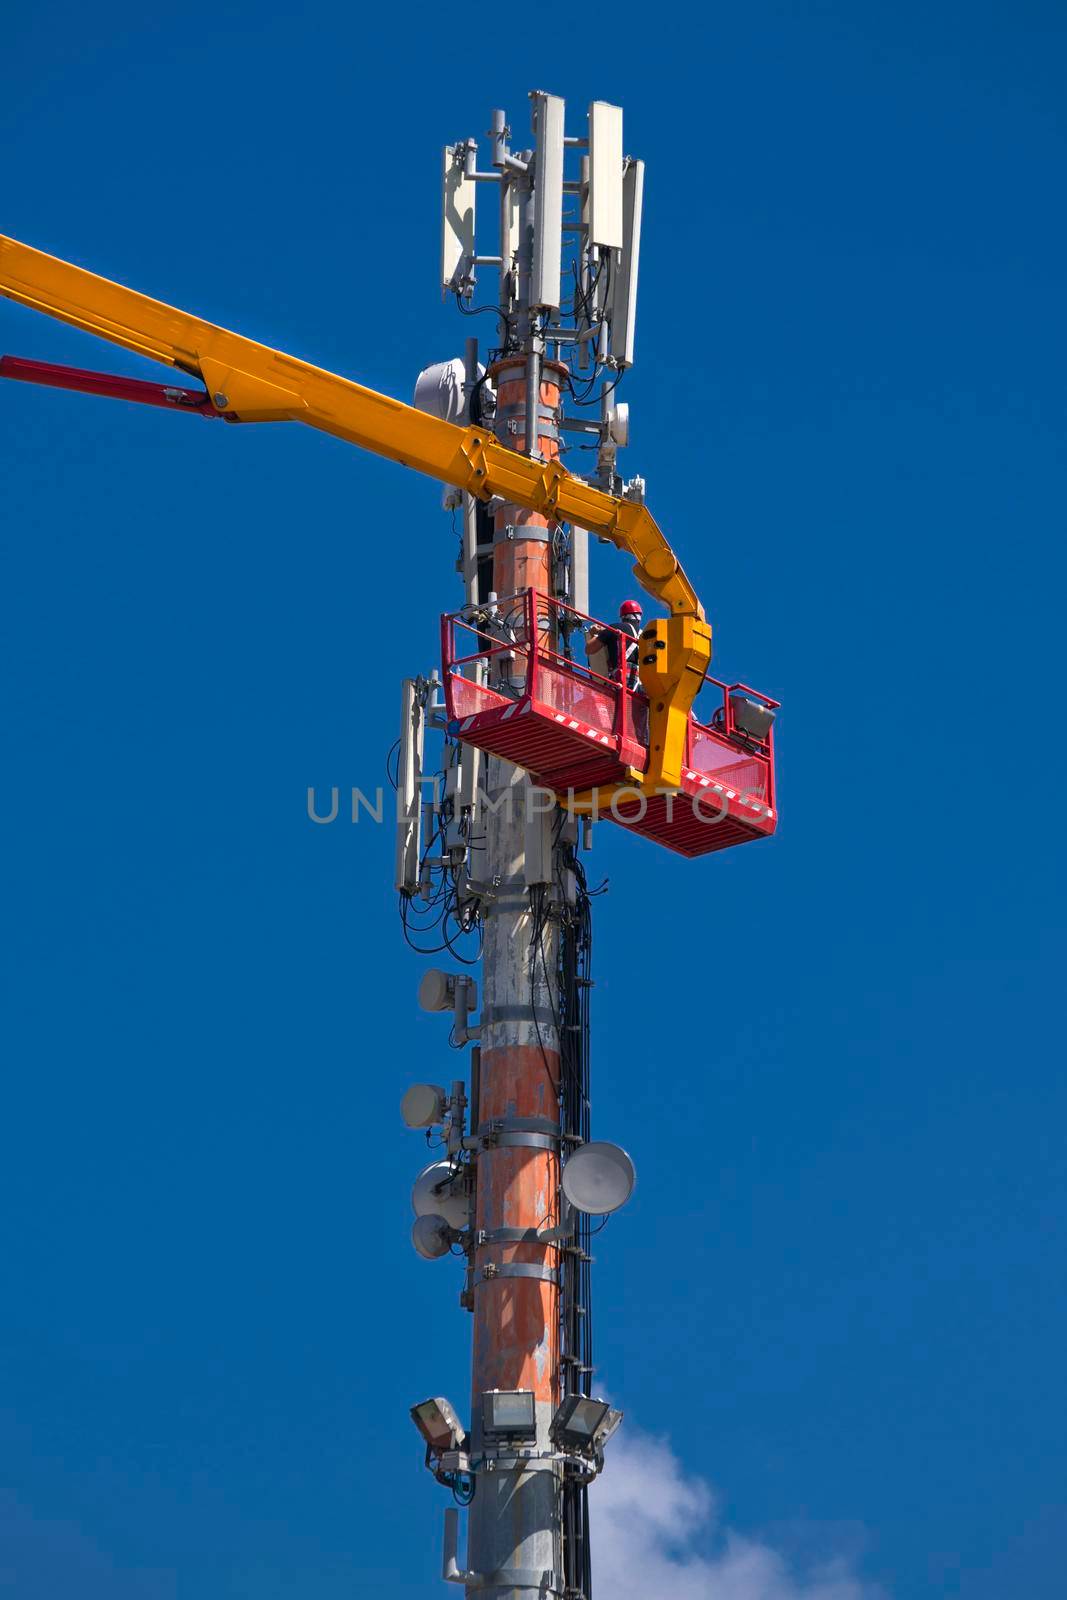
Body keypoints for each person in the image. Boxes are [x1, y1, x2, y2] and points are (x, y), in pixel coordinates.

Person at [586, 600, 643, 690]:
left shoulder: (614, 628)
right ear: (639, 617)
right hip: (640, 683)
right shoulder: (644, 636)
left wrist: (594, 633)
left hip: (621, 679)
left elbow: (589, 649)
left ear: (623, 616)